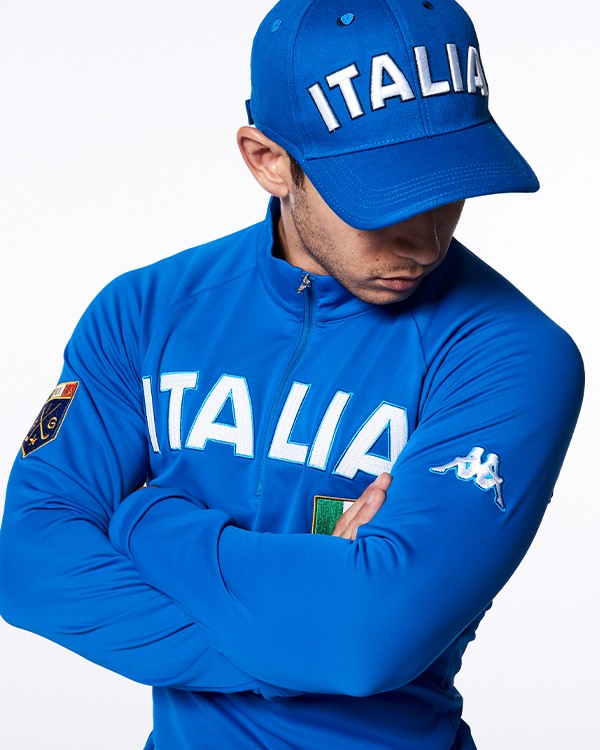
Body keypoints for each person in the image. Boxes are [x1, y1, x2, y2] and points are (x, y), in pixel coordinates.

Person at [0, 0, 585, 748]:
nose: (425, 239)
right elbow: (30, 567)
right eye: (383, 198)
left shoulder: (510, 353)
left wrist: (146, 517)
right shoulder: (143, 312)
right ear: (269, 161)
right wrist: (310, 636)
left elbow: (365, 639)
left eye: (448, 189)